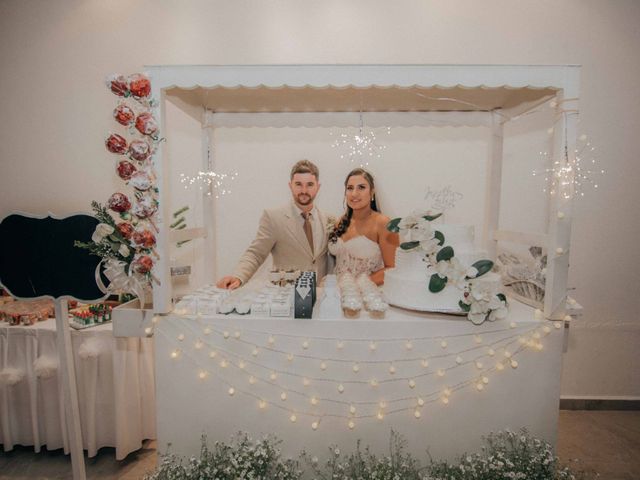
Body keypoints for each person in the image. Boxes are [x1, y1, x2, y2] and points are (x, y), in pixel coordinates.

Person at [216, 160, 330, 289]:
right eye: (298, 184)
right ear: (290, 185)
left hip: (321, 297)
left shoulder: (328, 220)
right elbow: (256, 253)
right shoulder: (273, 217)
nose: (304, 190)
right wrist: (238, 276)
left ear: (318, 187)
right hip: (286, 298)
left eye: (309, 184)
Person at [328, 168, 399, 285]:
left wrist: (356, 286)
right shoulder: (340, 221)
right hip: (338, 292)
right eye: (350, 188)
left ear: (372, 193)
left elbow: (392, 268)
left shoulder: (383, 224)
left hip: (368, 293)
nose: (354, 193)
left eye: (361, 187)